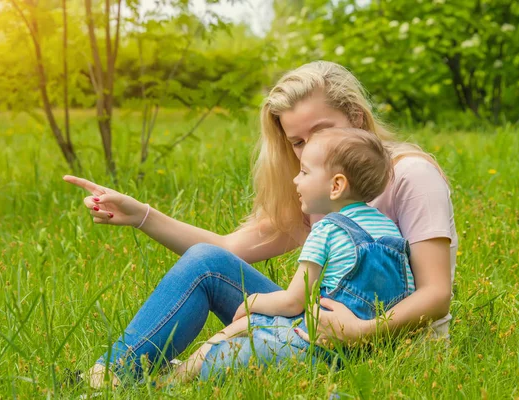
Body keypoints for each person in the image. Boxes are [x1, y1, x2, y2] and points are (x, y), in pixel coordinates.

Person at [64, 60, 457, 388]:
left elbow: (437, 293)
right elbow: (225, 251)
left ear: (355, 117)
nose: (307, 149)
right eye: (297, 142)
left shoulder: (411, 176)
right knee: (206, 262)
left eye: (319, 132)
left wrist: (360, 332)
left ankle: (155, 379)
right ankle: (110, 377)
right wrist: (142, 216)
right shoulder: (322, 187)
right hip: (322, 327)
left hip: (391, 345)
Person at [168, 127, 415, 383]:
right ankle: (182, 371)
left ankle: (174, 381)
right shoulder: (390, 231)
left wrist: (252, 301)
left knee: (233, 343)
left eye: (304, 172)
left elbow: (293, 302)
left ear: (337, 185)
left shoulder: (327, 230)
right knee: (248, 326)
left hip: (319, 345)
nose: (296, 180)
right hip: (373, 349)